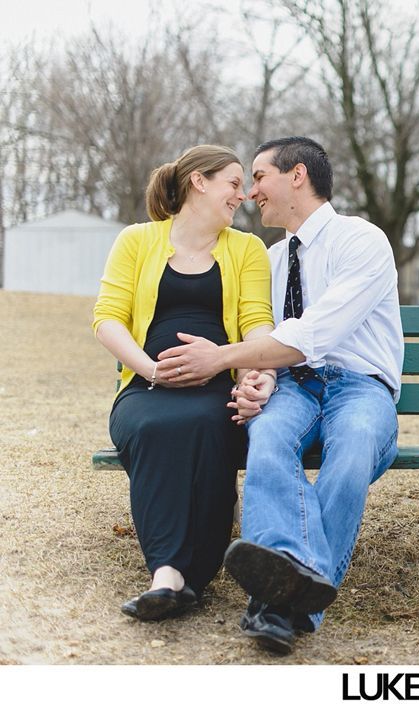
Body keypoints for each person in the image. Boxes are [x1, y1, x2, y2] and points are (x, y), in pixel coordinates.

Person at [155, 136, 403, 654]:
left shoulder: (361, 240)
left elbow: (316, 332)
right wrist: (256, 375)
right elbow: (265, 334)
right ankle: (290, 594)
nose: (251, 193)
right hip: (293, 385)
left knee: (353, 447)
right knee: (266, 438)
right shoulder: (270, 259)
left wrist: (221, 358)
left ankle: (279, 605)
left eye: (259, 177)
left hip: (359, 386)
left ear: (297, 175)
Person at [93, 145, 274, 621]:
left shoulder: (247, 249)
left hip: (216, 390)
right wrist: (150, 370)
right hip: (145, 390)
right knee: (155, 428)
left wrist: (252, 375)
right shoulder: (137, 240)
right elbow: (107, 318)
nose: (242, 195)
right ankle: (168, 575)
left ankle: (191, 578)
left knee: (206, 424)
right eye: (233, 183)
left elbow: (257, 323)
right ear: (199, 181)